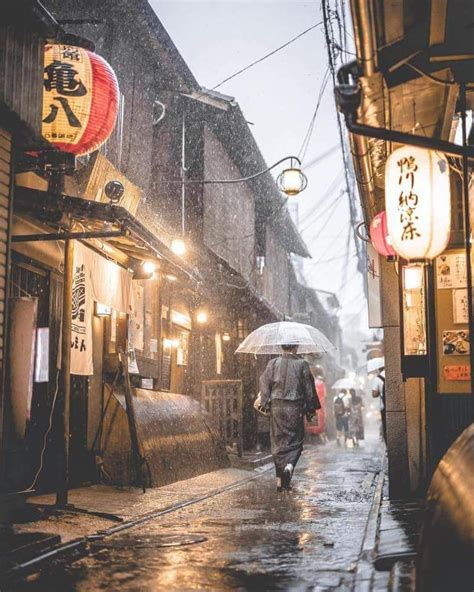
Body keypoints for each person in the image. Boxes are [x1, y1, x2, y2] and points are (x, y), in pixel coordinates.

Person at [260, 344, 320, 491]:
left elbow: (264, 382)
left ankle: (280, 482)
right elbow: (308, 388)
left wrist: (265, 401)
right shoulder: (302, 364)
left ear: (282, 348)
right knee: (295, 442)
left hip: (277, 408)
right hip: (295, 408)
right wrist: (311, 407)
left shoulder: (273, 363)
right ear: (296, 348)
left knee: (278, 442)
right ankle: (289, 466)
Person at [371, 366, 386, 444]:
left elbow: (374, 394)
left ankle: (388, 448)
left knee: (386, 428)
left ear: (378, 369)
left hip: (384, 406)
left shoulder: (378, 379)